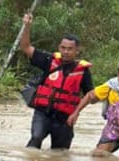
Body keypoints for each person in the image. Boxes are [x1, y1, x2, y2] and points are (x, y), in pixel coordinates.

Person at [20, 13, 95, 149]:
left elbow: (89, 94)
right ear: (59, 47)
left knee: (60, 154)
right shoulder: (49, 60)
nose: (66, 52)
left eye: (70, 49)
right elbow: (26, 47)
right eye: (63, 48)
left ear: (77, 50)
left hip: (65, 118)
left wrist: (76, 112)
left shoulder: (83, 71)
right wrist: (27, 27)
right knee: (35, 140)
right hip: (43, 113)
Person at [67, 57, 119, 159]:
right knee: (98, 155)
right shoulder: (111, 86)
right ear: (118, 74)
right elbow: (90, 96)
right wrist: (76, 112)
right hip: (113, 129)